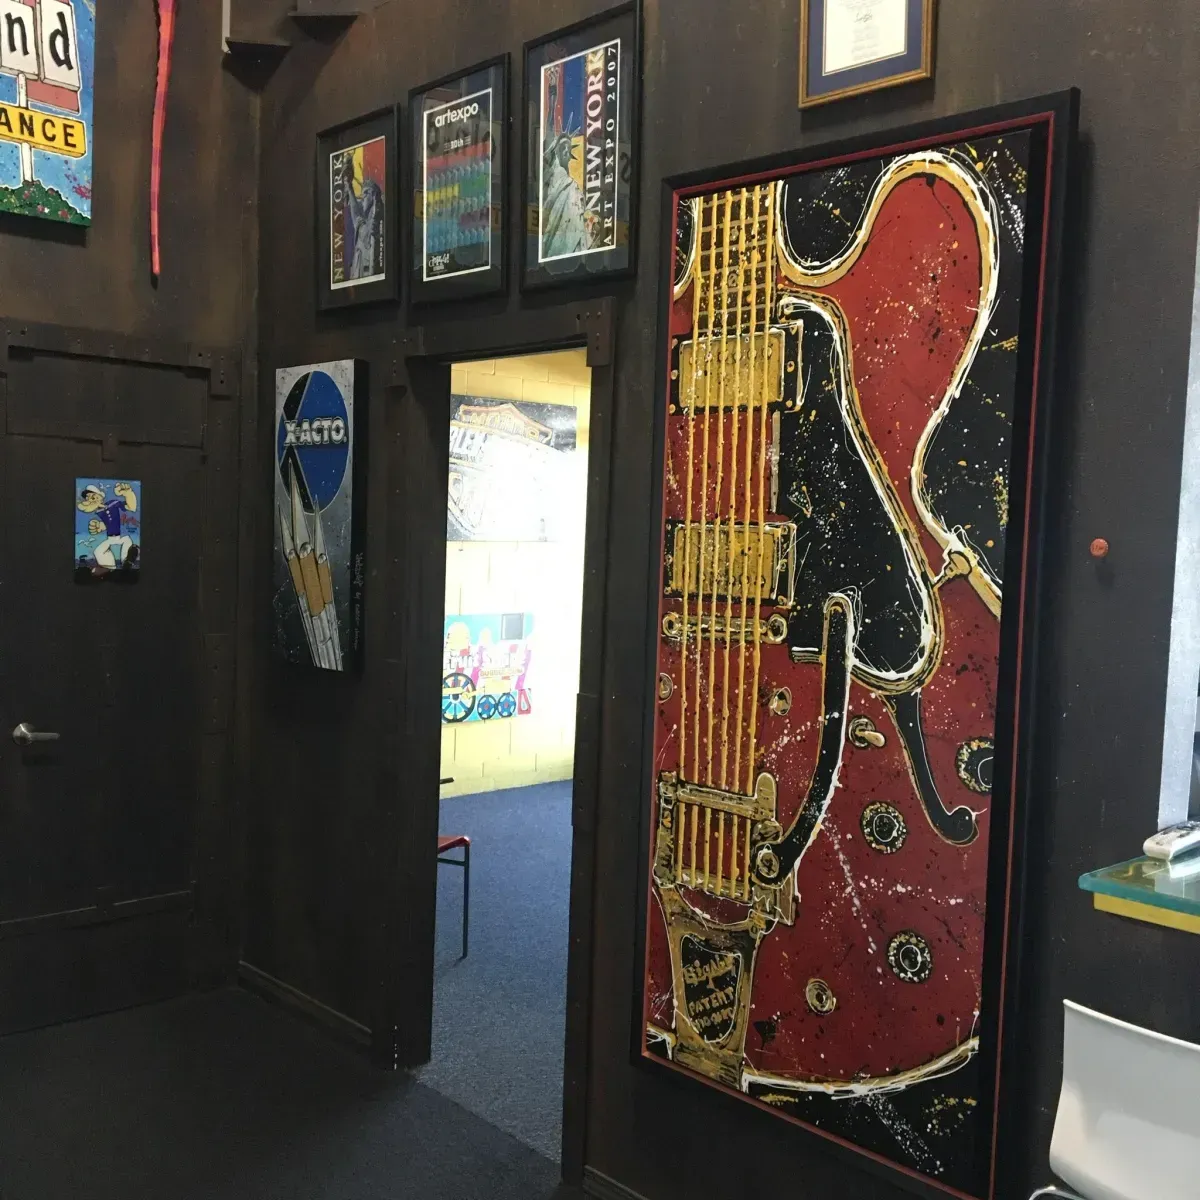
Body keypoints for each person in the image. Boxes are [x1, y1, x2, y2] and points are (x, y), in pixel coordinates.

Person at [541, 131, 587, 258]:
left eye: (569, 147)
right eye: (563, 148)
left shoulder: (571, 184)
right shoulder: (555, 177)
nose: (567, 150)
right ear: (556, 154)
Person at [77, 482, 137, 571]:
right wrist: (100, 526)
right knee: (98, 552)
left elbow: (131, 507)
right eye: (88, 498)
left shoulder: (113, 503)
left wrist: (128, 493)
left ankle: (127, 566)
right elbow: (107, 522)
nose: (90, 498)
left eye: (92, 495)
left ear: (101, 495)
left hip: (122, 536)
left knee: (127, 545)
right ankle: (111, 568)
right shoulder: (98, 511)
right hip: (110, 538)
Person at [348, 178, 383, 280]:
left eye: (366, 193)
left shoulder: (378, 220)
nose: (363, 198)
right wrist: (349, 188)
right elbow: (356, 216)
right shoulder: (363, 225)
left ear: (374, 196)